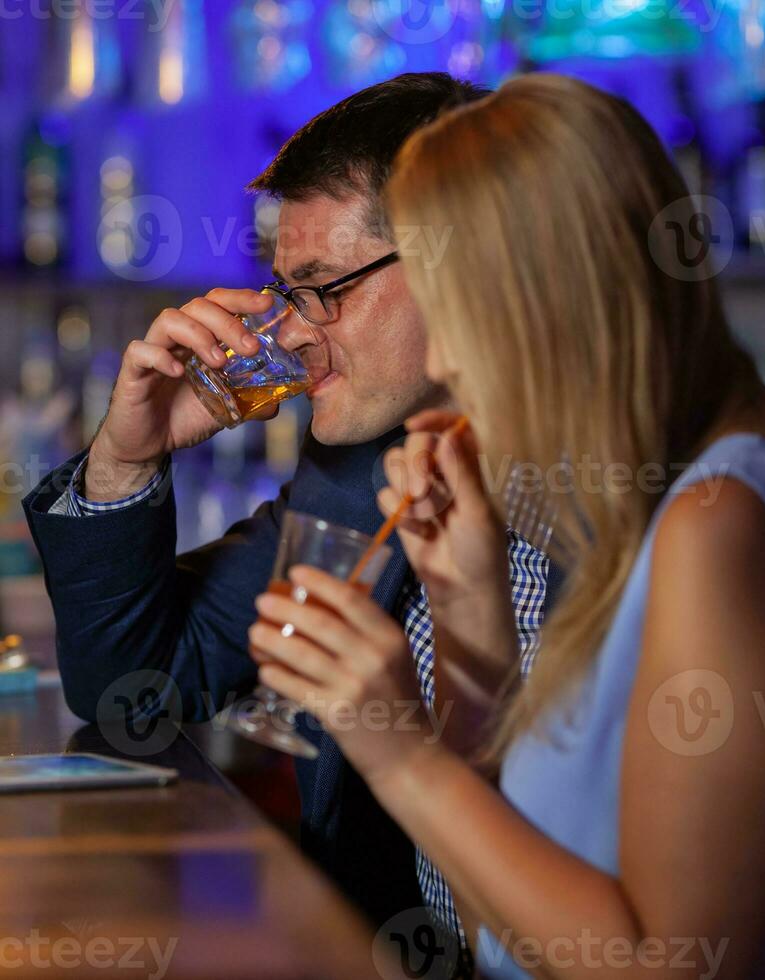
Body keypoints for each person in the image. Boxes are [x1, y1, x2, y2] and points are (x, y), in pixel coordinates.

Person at [247, 74, 765, 978]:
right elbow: (491, 927)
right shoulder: (653, 497)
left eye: (459, 319)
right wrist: (470, 623)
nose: (447, 361)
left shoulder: (720, 516)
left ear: (555, 302)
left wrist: (402, 756)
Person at [22, 73, 557, 956]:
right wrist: (129, 453)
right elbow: (133, 693)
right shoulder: (359, 469)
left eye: (322, 289)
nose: (292, 333)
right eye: (284, 292)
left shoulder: (649, 505)